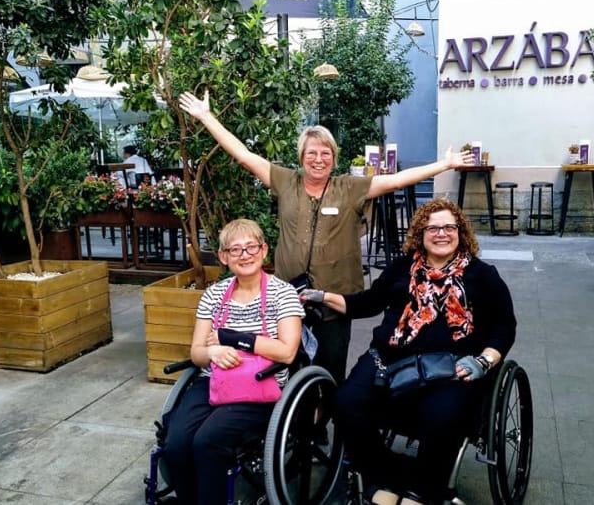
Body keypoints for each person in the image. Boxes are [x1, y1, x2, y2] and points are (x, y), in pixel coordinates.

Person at [179, 90, 475, 384]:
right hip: (287, 297)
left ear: (333, 159)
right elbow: (244, 155)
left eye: (325, 154)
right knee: (286, 363)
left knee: (329, 367)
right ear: (302, 157)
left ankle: (322, 424)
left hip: (334, 299)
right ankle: (294, 424)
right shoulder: (286, 182)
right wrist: (206, 117)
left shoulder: (350, 188)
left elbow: (396, 180)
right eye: (311, 153)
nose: (318, 159)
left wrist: (444, 164)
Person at [300, 198, 517, 505]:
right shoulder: (402, 268)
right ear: (420, 233)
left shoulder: (483, 275)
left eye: (449, 227)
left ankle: (423, 489)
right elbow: (367, 302)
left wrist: (485, 360)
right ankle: (388, 475)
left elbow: (504, 327)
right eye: (433, 228)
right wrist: (323, 296)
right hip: (388, 359)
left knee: (441, 417)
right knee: (346, 403)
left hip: (451, 367)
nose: (441, 234)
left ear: (460, 232)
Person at [162, 219, 304, 505]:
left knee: (207, 441)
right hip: (213, 380)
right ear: (224, 257)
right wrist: (212, 352)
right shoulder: (214, 295)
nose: (244, 254)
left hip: (260, 385)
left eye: (251, 246)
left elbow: (287, 352)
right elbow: (196, 353)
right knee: (174, 443)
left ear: (264, 251)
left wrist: (234, 338)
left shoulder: (283, 293)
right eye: (235, 249)